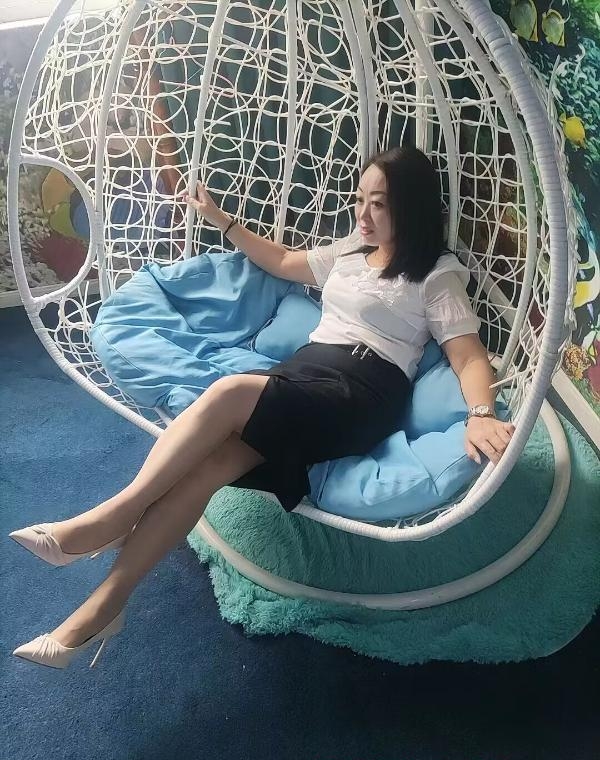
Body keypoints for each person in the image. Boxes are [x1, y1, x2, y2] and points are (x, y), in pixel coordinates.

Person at [10, 145, 515, 669]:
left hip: (360, 391)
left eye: (379, 204)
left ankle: (114, 516)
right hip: (303, 375)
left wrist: (480, 414)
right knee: (207, 468)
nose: (363, 214)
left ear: (410, 207)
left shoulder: (435, 274)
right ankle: (103, 608)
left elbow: (467, 355)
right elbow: (282, 261)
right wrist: (221, 220)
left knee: (229, 391)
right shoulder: (351, 250)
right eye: (359, 198)